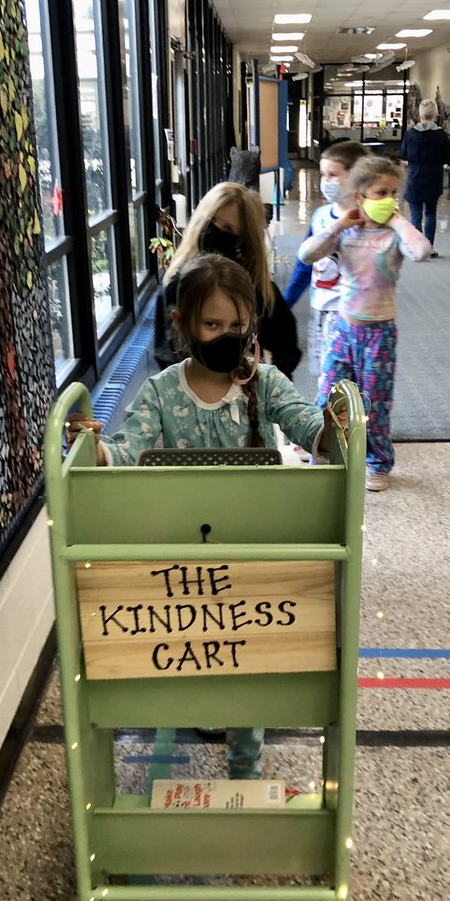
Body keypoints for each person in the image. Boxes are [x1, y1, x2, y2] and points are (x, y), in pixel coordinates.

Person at [69, 253, 343, 778]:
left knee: (250, 669)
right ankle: (188, 719)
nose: (224, 335)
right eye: (212, 324)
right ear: (184, 324)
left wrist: (333, 428)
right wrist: (94, 450)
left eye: (236, 325)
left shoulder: (264, 383)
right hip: (183, 561)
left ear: (251, 326)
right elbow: (126, 449)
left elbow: (307, 424)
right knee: (190, 655)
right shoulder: (162, 391)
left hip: (251, 553)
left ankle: (246, 766)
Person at [298, 155, 431, 492]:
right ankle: (322, 454)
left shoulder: (395, 234)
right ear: (360, 196)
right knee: (328, 397)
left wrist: (400, 221)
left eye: (393, 192)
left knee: (376, 401)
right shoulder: (347, 232)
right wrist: (339, 225)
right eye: (380, 192)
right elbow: (307, 254)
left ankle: (378, 462)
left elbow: (422, 251)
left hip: (380, 332)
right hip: (343, 328)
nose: (388, 199)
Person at [152, 182, 301, 378]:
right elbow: (165, 353)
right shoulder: (176, 286)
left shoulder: (258, 290)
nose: (214, 231)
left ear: (242, 239)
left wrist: (269, 390)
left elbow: (286, 348)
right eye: (211, 220)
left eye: (228, 229)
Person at [283, 141, 368, 386]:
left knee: (350, 375)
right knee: (326, 375)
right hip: (321, 307)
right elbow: (306, 262)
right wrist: (286, 301)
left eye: (333, 175)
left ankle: (356, 421)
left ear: (356, 176)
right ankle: (332, 420)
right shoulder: (321, 216)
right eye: (322, 174)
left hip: (351, 313)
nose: (325, 181)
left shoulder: (367, 220)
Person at [399, 98, 450, 257]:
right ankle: (429, 247)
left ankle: (417, 247)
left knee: (415, 215)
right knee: (430, 213)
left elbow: (403, 154)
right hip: (433, 177)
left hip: (414, 178)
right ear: (436, 114)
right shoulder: (441, 135)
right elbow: (447, 157)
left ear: (419, 114)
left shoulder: (410, 135)